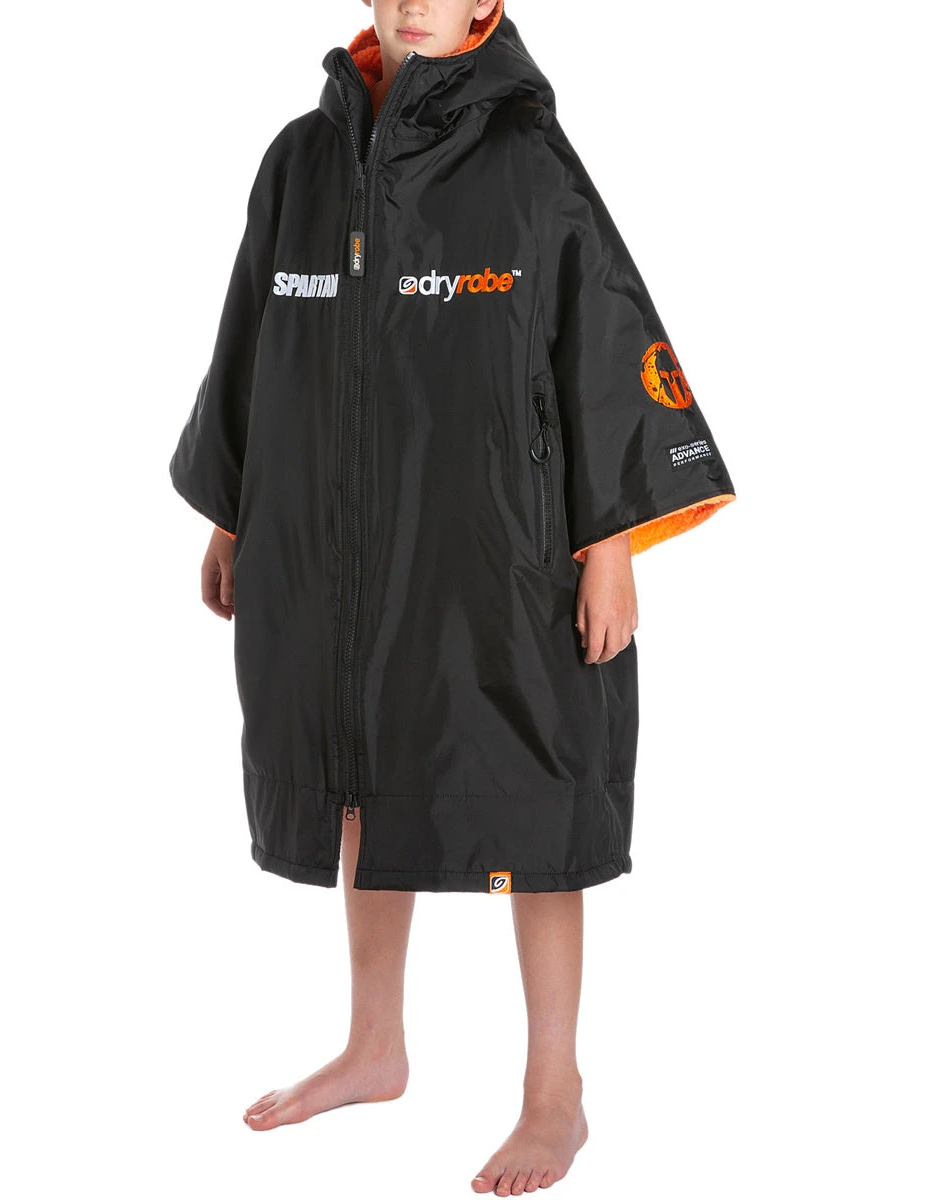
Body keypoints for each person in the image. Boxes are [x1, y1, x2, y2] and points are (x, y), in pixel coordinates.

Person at [170, 1, 736, 1193]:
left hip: (499, 541)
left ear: (487, 1)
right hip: (334, 544)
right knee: (356, 769)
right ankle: (374, 1046)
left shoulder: (526, 156)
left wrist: (611, 543)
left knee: (540, 794)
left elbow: (601, 331)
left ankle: (554, 1094)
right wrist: (233, 512)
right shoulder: (300, 160)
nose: (418, 3)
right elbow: (250, 344)